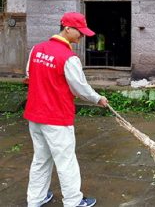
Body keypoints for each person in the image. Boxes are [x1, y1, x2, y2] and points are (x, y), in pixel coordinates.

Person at [24, 12, 108, 207]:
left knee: (41, 159)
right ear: (67, 28)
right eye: (80, 32)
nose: (82, 36)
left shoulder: (36, 49)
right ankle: (73, 201)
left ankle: (35, 200)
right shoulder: (68, 57)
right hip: (56, 117)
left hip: (35, 115)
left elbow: (29, 75)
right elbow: (80, 87)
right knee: (66, 161)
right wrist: (98, 98)